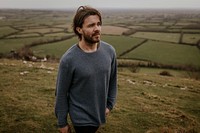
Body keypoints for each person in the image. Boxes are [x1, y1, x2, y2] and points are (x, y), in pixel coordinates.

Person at [55, 6, 117, 133]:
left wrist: (109, 105)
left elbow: (112, 81)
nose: (97, 29)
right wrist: (62, 123)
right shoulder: (69, 60)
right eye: (91, 25)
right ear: (79, 30)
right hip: (81, 118)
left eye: (99, 24)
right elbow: (61, 93)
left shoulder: (110, 51)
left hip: (99, 113)